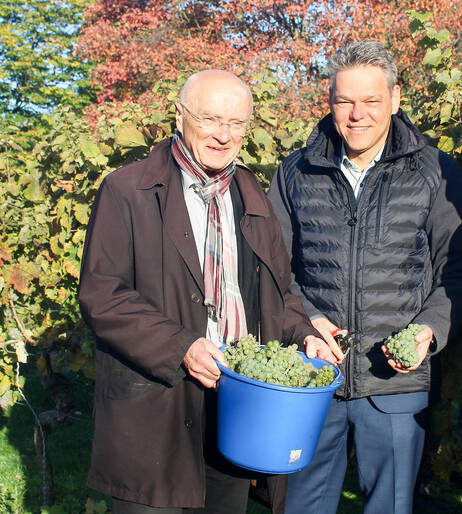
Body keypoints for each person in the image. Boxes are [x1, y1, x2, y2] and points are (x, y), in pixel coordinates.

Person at [79, 70, 331, 513]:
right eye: (210, 118)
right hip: (157, 407)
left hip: (235, 409)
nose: (223, 135)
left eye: (236, 123)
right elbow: (103, 295)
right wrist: (182, 347)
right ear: (180, 116)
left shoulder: (252, 194)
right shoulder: (127, 191)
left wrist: (303, 333)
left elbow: (276, 293)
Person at [267, 40, 462, 513]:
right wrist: (304, 323)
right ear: (330, 102)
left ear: (395, 99)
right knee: (301, 506)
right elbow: (274, 269)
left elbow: (459, 268)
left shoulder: (435, 172)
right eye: (344, 101)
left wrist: (429, 330)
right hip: (312, 376)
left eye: (371, 101)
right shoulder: (295, 173)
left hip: (396, 386)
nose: (357, 114)